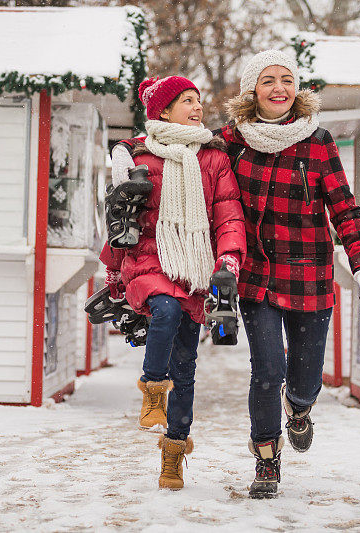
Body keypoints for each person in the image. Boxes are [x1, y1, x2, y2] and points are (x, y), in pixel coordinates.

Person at [215, 49, 360, 499]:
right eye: (268, 80)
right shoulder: (230, 141)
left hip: (310, 275)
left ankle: (300, 409)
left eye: (286, 80)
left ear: (298, 88)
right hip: (256, 277)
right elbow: (176, 148)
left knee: (305, 379)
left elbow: (345, 211)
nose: (279, 88)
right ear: (253, 91)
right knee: (268, 370)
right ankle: (267, 459)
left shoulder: (318, 141)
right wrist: (128, 152)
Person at [100, 76, 246, 490]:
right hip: (149, 260)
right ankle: (150, 390)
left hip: (195, 268)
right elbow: (120, 218)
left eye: (198, 101)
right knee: (163, 309)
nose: (197, 107)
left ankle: (173, 453)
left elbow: (228, 215)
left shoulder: (214, 159)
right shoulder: (139, 156)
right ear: (163, 111)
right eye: (186, 100)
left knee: (185, 367)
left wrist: (227, 260)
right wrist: (112, 273)